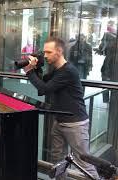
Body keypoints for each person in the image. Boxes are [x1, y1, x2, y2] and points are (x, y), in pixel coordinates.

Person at [23, 37, 99, 179]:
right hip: (59, 121)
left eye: (48, 52)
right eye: (44, 52)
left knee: (84, 163)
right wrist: (36, 67)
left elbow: (44, 88)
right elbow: (42, 86)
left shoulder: (68, 71)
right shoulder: (57, 70)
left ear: (59, 51)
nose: (45, 56)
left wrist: (28, 71)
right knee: (58, 161)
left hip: (75, 123)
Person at [96, 21, 117, 103]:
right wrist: (100, 50)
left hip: (111, 66)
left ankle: (109, 100)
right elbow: (102, 48)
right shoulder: (107, 35)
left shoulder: (112, 37)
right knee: (105, 80)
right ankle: (106, 100)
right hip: (108, 64)